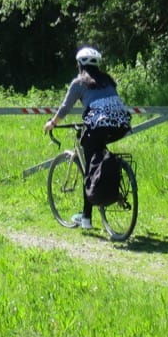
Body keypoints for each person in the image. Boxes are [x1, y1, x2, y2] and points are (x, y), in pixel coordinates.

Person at [43, 46, 132, 230]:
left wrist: (52, 123)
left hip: (99, 125)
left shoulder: (79, 83)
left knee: (90, 167)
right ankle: (107, 187)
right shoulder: (108, 81)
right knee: (98, 155)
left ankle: (86, 219)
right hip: (120, 125)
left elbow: (65, 108)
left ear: (79, 65)